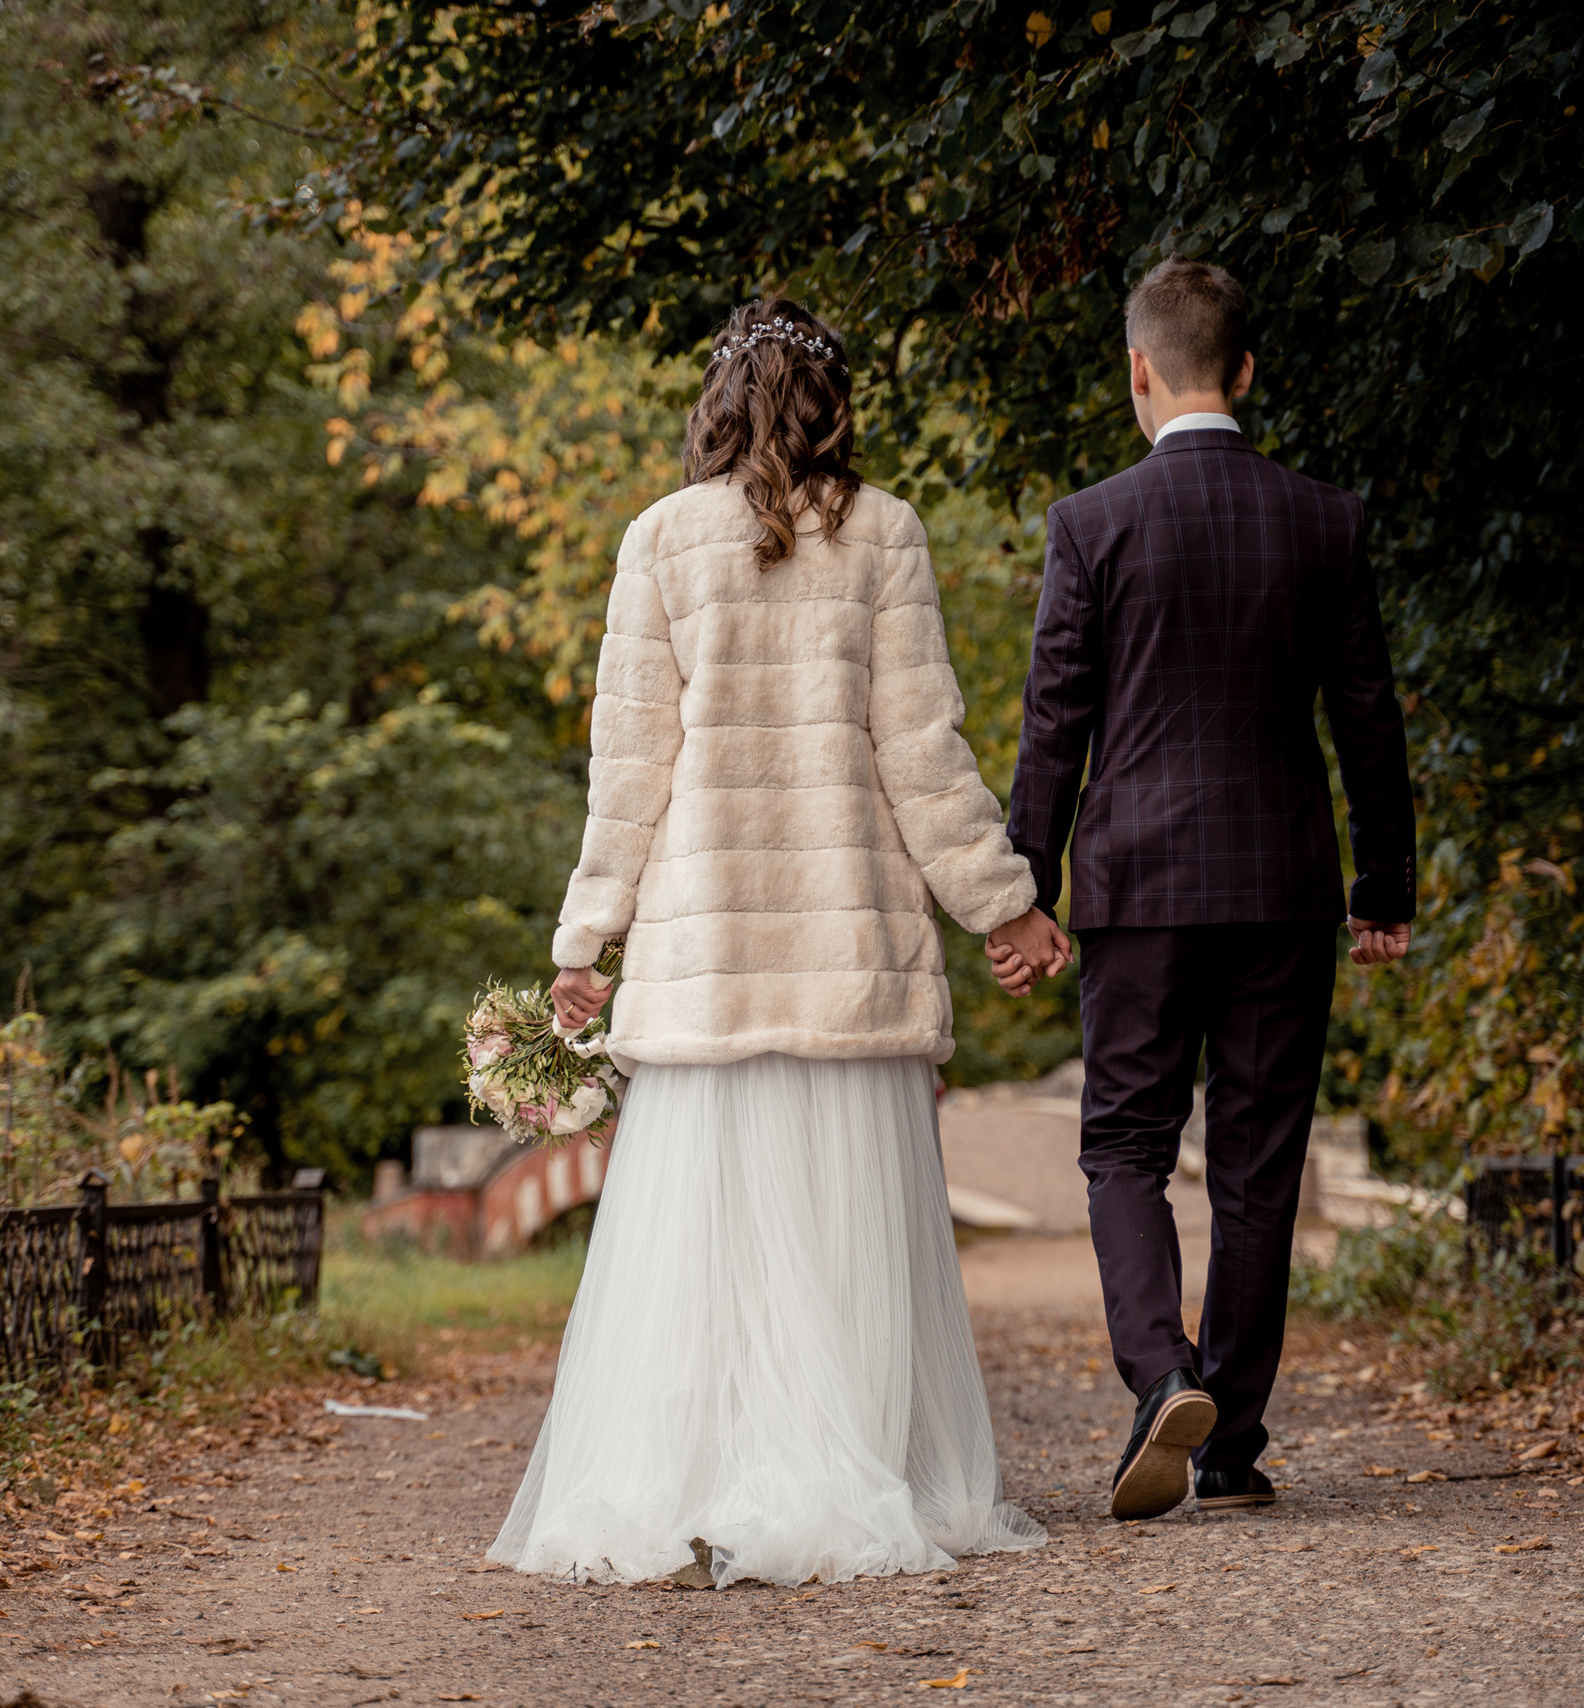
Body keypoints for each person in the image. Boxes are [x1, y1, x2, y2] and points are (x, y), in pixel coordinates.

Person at [491, 299, 1061, 1588]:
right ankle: (851, 1477)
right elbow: (923, 752)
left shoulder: (658, 541)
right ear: (832, 407)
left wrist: (586, 939)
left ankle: (686, 1481)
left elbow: (625, 770)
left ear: (715, 404)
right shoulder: (882, 533)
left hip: (705, 964)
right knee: (846, 1242)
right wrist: (1003, 903)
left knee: (701, 1249)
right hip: (844, 953)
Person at [994, 258, 1417, 1523]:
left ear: (1138, 371)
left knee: (1124, 1142)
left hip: (1132, 888)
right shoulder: (1323, 518)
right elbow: (1368, 720)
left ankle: (1158, 1375)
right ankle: (1226, 1441)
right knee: (1256, 1163)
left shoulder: (1092, 523)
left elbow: (1051, 726)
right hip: (1281, 890)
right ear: (1245, 371)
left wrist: (1023, 891)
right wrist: (1381, 879)